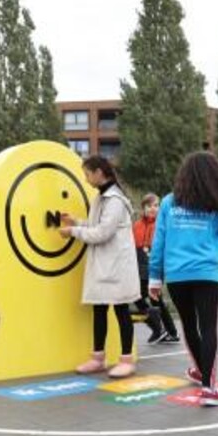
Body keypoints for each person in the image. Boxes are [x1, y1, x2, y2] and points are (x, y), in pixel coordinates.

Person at [148, 151, 218, 406]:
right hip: (206, 273)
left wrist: (154, 278)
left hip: (176, 275)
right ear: (216, 174)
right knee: (208, 327)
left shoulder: (169, 202)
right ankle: (209, 388)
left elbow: (159, 242)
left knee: (189, 325)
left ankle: (202, 372)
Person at [60, 156, 141, 378]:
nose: (85, 179)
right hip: (106, 265)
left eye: (87, 174)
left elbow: (102, 233)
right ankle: (98, 358)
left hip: (116, 268)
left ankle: (126, 359)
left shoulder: (114, 200)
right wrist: (75, 221)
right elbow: (96, 226)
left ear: (98, 173)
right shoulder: (102, 198)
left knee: (122, 310)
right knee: (100, 309)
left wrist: (73, 232)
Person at [133, 193, 180, 344]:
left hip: (155, 268)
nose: (153, 209)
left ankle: (161, 328)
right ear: (143, 208)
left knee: (153, 300)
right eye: (149, 206)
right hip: (139, 267)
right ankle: (166, 330)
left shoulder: (162, 225)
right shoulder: (136, 226)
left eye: (156, 205)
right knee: (142, 298)